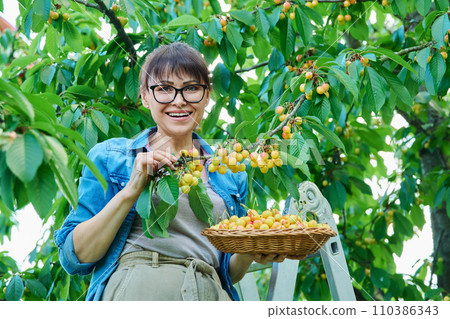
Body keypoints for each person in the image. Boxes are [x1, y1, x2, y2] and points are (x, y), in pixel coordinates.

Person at [54, 42, 288, 301]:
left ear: (207, 95)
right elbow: (76, 258)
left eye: (191, 88)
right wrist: (132, 190)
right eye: (164, 89)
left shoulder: (230, 172)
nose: (179, 100)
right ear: (144, 96)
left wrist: (250, 250)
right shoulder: (111, 157)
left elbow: (225, 272)